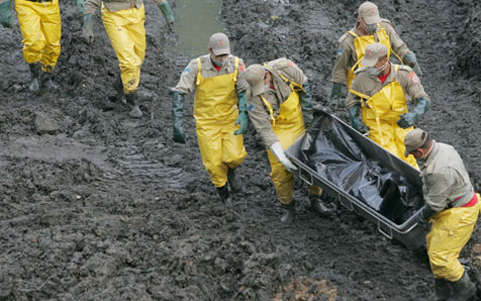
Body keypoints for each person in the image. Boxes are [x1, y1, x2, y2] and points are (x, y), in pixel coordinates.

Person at [82, 0, 175, 118]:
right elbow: (92, 1)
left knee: (138, 58)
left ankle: (120, 85)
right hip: (114, 17)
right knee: (128, 61)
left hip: (136, 15)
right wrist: (87, 27)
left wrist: (167, 13)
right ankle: (132, 101)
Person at [245, 59, 331, 223]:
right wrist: (282, 157)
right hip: (277, 128)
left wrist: (308, 122)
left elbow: (304, 87)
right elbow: (263, 128)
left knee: (313, 158)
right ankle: (288, 205)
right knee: (279, 169)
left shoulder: (285, 69)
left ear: (267, 75)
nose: (259, 90)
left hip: (297, 121)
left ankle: (315, 198)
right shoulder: (251, 95)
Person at [171, 33, 248, 206]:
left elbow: (244, 90)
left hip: (230, 118)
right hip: (207, 122)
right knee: (213, 164)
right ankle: (223, 192)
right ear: (209, 51)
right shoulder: (196, 66)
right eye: (218, 55)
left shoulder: (237, 64)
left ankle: (232, 171)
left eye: (225, 55)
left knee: (234, 156)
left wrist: (243, 113)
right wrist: (177, 122)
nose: (222, 59)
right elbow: (180, 91)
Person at [404, 128, 480, 301]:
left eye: (413, 154)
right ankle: (442, 293)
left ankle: (465, 290)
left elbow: (435, 204)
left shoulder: (439, 170)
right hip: (452, 205)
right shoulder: (444, 148)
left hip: (460, 212)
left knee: (442, 257)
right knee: (434, 247)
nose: (413, 157)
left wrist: (421, 217)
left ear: (420, 151)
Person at [346, 43, 429, 167]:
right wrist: (354, 118)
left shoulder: (403, 74)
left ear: (384, 60)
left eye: (373, 63)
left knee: (408, 159)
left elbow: (424, 99)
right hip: (375, 125)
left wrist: (414, 115)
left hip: (400, 123)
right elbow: (352, 100)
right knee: (386, 161)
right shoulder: (361, 77)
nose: (369, 67)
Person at [330, 1, 423, 107]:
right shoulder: (347, 42)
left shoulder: (384, 27)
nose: (373, 26)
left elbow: (399, 47)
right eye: (369, 23)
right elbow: (339, 70)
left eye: (375, 22)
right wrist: (335, 98)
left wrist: (409, 57)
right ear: (360, 19)